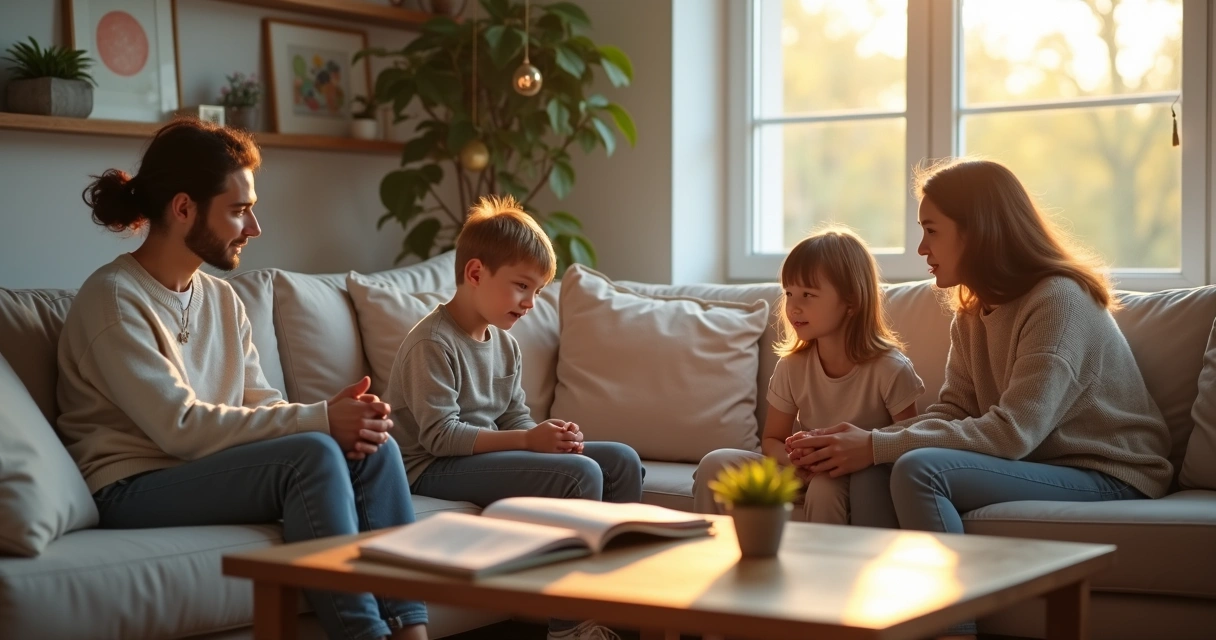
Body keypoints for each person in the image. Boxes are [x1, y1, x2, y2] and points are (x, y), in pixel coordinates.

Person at [58, 118, 428, 640]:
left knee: (373, 445)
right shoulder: (115, 299)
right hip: (131, 484)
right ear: (183, 208)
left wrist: (337, 419)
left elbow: (262, 403)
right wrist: (320, 420)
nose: (254, 228)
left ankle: (412, 633)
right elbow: (180, 428)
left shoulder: (221, 299)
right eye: (238, 210)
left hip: (205, 467)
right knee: (312, 456)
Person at [788, 158, 1173, 639]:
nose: (921, 247)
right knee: (871, 471)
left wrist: (876, 444)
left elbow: (1013, 431)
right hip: (1042, 460)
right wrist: (865, 445)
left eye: (931, 230)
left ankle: (954, 632)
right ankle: (879, 624)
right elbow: (954, 409)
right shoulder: (972, 313)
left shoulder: (1058, 301)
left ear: (977, 232)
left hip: (1109, 471)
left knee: (919, 469)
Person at [386, 195, 643, 640]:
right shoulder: (432, 343)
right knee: (580, 474)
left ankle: (611, 611)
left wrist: (548, 437)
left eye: (538, 292)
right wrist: (527, 443)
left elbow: (514, 418)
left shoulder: (505, 345)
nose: (530, 303)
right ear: (475, 273)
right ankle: (568, 628)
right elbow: (440, 436)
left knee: (620, 460)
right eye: (522, 286)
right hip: (429, 467)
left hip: (476, 458)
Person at [692, 227, 924, 523]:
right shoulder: (792, 366)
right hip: (802, 472)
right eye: (789, 293)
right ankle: (709, 548)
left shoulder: (890, 368)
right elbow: (772, 439)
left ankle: (823, 555)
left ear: (851, 301)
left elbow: (907, 444)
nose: (794, 306)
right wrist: (797, 462)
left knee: (825, 487)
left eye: (808, 295)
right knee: (715, 464)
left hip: (856, 477)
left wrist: (835, 464)